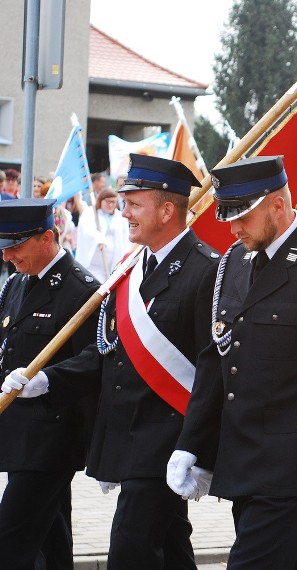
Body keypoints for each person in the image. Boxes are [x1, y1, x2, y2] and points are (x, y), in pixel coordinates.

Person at [167, 155, 297, 569]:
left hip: (291, 462)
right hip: (241, 454)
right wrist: (192, 444)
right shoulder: (234, 263)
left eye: (243, 216)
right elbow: (216, 359)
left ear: (278, 206)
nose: (233, 227)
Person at [23, 154, 219, 569]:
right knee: (170, 546)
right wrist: (48, 380)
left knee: (130, 549)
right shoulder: (131, 267)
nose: (124, 212)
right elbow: (108, 353)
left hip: (169, 438)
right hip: (128, 435)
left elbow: (212, 370)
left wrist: (195, 446)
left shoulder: (206, 271)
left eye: (134, 203)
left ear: (167, 210)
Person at [0, 199, 100, 570]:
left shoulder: (82, 290)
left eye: (15, 246)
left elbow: (98, 358)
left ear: (46, 237)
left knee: (9, 541)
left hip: (51, 439)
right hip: (18, 436)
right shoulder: (17, 284)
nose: (7, 255)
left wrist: (47, 379)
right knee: (50, 541)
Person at [75, 188, 131, 282]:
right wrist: (99, 239)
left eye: (113, 202)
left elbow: (126, 238)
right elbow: (87, 229)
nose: (111, 205)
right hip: (95, 264)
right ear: (101, 200)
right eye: (108, 202)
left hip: (114, 263)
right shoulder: (90, 213)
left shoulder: (120, 217)